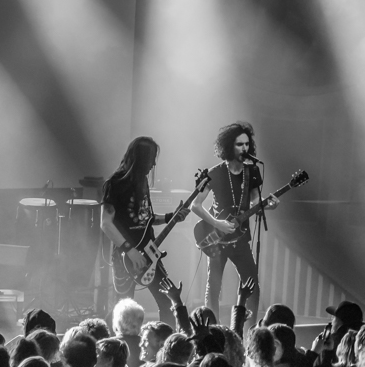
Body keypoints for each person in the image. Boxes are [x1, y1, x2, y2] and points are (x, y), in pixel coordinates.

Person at [191, 122, 278, 321]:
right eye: (239, 144)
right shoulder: (216, 173)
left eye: (247, 144)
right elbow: (195, 205)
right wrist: (217, 224)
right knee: (214, 287)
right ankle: (211, 329)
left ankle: (248, 331)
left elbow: (256, 202)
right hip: (217, 238)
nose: (244, 149)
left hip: (240, 238)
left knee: (252, 284)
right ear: (229, 146)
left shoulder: (252, 171)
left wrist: (267, 205)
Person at [100, 136, 190, 326]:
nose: (153, 164)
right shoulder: (115, 184)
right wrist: (130, 251)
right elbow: (106, 223)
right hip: (127, 257)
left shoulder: (142, 182)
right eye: (150, 159)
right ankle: (124, 351)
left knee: (167, 301)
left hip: (150, 254)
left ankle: (165, 349)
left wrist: (170, 217)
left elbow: (146, 217)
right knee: (125, 310)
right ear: (139, 158)